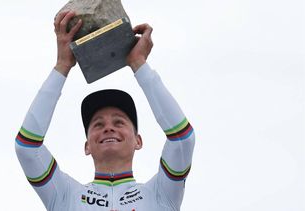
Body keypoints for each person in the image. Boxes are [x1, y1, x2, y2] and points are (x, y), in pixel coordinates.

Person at [15, 10, 195, 211]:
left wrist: (139, 65)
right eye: (98, 124)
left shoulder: (161, 194)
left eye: (119, 121)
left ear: (138, 141)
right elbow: (27, 147)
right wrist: (62, 65)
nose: (108, 128)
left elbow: (182, 139)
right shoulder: (64, 195)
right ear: (87, 146)